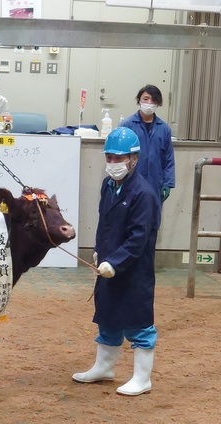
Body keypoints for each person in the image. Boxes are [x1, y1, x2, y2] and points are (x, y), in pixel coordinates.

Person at [72, 127, 161, 396]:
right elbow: (105, 224)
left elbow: (138, 237)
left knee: (138, 322)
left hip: (134, 269)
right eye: (109, 158)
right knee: (108, 316)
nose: (113, 163)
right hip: (108, 264)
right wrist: (100, 251)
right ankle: (104, 367)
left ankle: (142, 379)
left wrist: (116, 262)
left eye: (119, 158)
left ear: (133, 159)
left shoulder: (143, 193)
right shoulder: (108, 185)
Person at [119, 84, 175, 204]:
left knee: (153, 219)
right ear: (138, 101)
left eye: (153, 100)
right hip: (131, 182)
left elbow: (168, 158)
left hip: (155, 183)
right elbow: (119, 156)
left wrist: (168, 183)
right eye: (145, 99)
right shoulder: (127, 126)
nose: (149, 103)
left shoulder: (164, 129)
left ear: (158, 103)